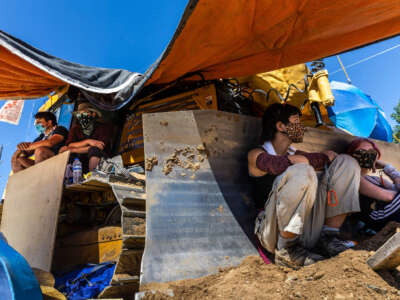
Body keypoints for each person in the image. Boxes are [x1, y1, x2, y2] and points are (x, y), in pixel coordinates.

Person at [248, 103, 361, 269]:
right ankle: (287, 251)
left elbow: (325, 159)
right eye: (296, 121)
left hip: (306, 230)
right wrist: (315, 159)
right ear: (281, 126)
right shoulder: (256, 154)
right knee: (302, 170)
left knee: (346, 162)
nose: (302, 127)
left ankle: (328, 237)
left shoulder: (296, 154)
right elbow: (276, 165)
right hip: (273, 233)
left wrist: (317, 158)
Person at [347, 138, 400, 231]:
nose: (367, 155)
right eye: (361, 151)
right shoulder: (353, 176)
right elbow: (389, 196)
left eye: (371, 152)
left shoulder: (375, 179)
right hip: (378, 217)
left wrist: (385, 166)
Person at [59, 103, 113, 172]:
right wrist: (88, 141)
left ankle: (94, 177)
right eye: (79, 114)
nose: (81, 117)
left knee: (94, 150)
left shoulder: (103, 127)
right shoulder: (75, 129)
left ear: (93, 114)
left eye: (84, 113)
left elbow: (99, 146)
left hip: (102, 162)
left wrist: (73, 149)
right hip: (80, 162)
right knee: (67, 154)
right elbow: (70, 145)